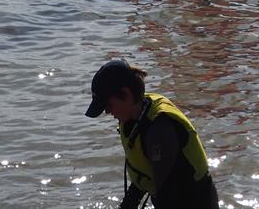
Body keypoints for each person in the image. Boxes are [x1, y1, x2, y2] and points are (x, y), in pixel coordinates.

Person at [85, 58, 219, 209]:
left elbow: (166, 191)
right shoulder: (134, 118)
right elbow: (143, 177)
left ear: (126, 94)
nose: (108, 112)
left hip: (194, 200)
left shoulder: (160, 130)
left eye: (109, 105)